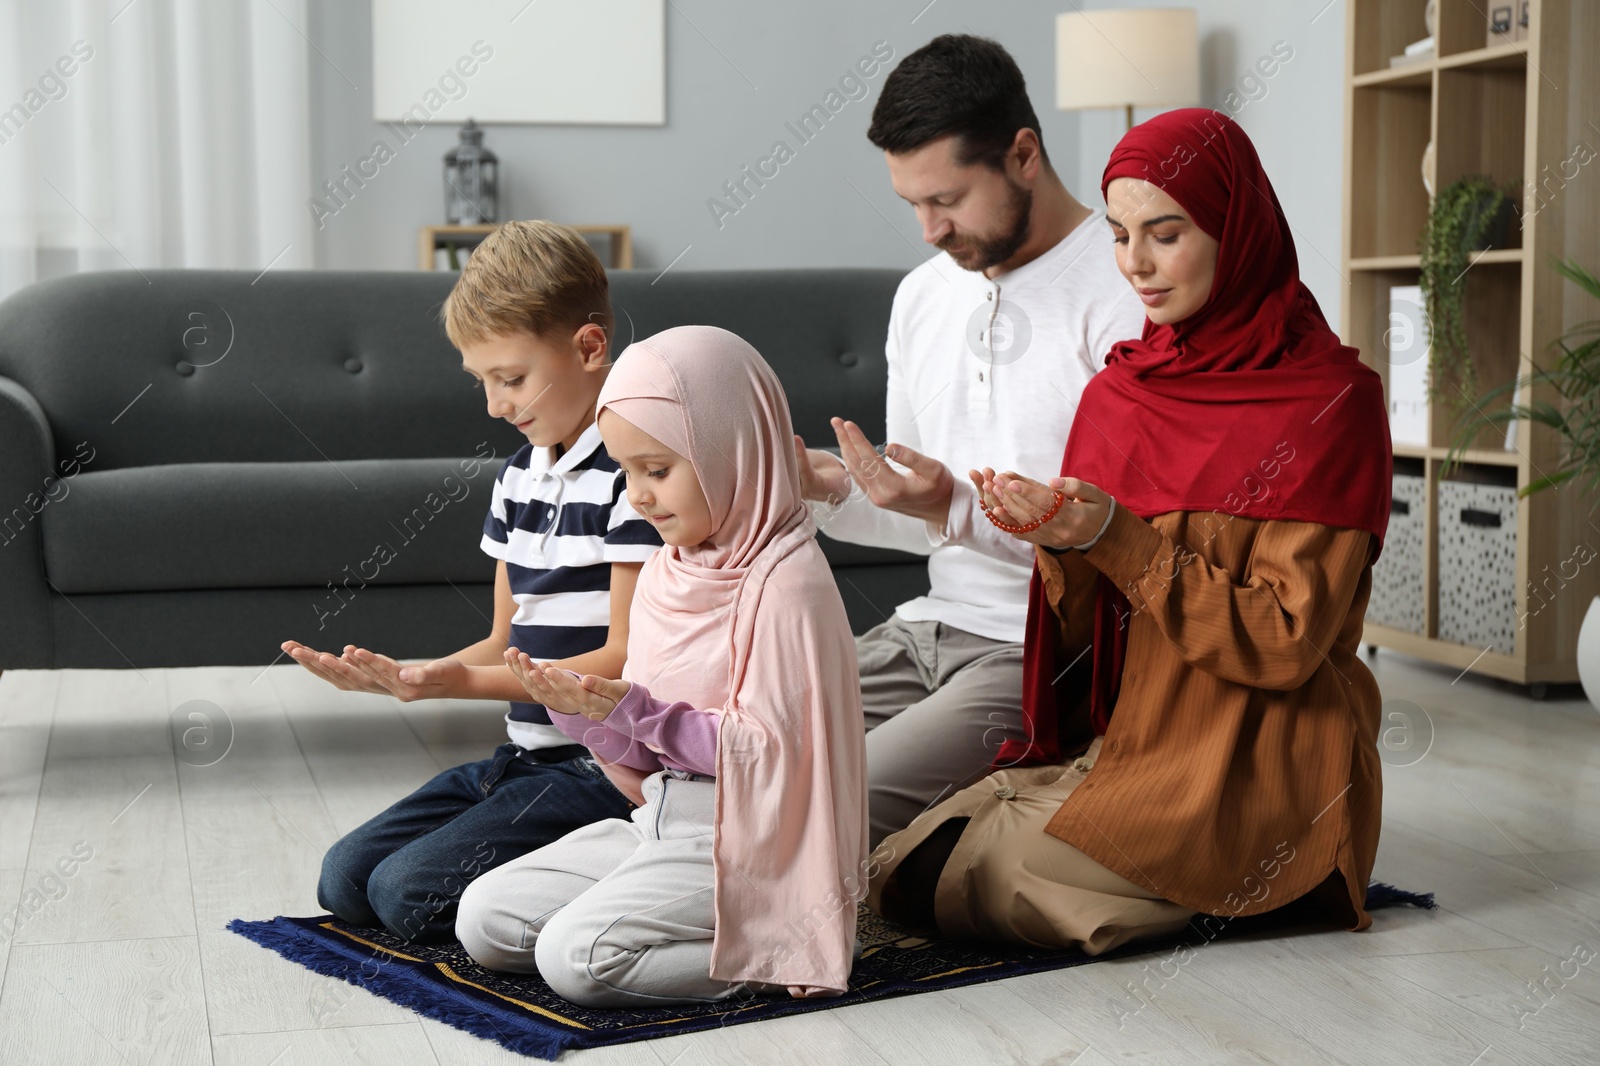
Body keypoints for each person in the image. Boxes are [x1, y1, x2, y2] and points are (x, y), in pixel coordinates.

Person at [866, 108, 1393, 953]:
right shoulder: (1122, 394)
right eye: (1118, 236)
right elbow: (1091, 633)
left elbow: (1287, 643)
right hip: (1131, 735)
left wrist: (1114, 536)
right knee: (909, 860)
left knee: (975, 878)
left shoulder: (1330, 402)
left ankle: (1276, 872)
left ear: (1236, 227)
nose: (1135, 266)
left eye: (1166, 232)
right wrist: (1060, 540)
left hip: (1261, 752)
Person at [792, 34, 1146, 846]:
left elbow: (1122, 549)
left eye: (945, 199)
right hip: (924, 624)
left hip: (1042, 649)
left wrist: (950, 504)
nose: (927, 230)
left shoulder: (1125, 293)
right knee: (733, 742)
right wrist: (832, 487)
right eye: (911, 203)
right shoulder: (922, 298)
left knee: (831, 798)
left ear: (1024, 155)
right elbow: (921, 517)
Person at [456, 326, 868, 1007]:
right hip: (660, 820)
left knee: (574, 960)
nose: (638, 497)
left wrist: (631, 710)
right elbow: (645, 755)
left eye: (658, 470)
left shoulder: (787, 584)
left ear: (730, 449)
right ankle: (696, 929)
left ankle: (787, 939)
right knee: (485, 919)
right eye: (625, 472)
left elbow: (774, 758)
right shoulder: (667, 573)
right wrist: (583, 708)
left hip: (756, 839)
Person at [283, 220, 661, 942]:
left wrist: (457, 687)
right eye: (482, 381)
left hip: (599, 770)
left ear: (588, 347)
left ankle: (621, 862)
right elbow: (500, 638)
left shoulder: (636, 475)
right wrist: (414, 676)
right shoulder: (518, 476)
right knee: (344, 879)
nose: (494, 405)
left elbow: (621, 660)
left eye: (511, 378)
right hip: (523, 758)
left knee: (402, 896)